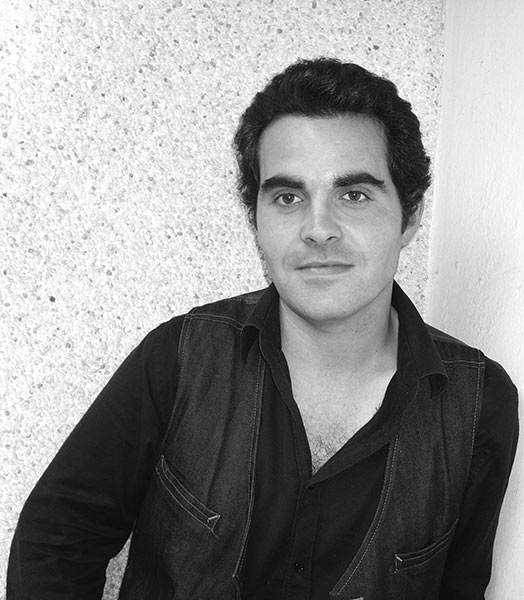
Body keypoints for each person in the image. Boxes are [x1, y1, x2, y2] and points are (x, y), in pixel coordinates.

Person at [7, 58, 518, 600]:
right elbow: (57, 541)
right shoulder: (180, 357)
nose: (318, 229)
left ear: (409, 216)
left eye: (354, 194)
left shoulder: (478, 405)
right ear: (256, 220)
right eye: (288, 198)